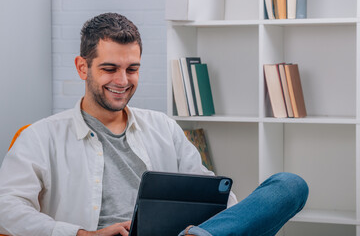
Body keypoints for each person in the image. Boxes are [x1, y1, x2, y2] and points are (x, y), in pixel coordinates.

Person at [0, 13, 308, 236]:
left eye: (132, 69)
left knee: (290, 185)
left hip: (181, 233)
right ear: (83, 67)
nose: (122, 81)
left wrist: (229, 221)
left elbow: (208, 191)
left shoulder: (163, 126)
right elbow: (7, 207)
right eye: (110, 69)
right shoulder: (41, 136)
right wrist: (82, 234)